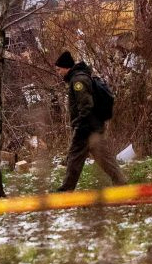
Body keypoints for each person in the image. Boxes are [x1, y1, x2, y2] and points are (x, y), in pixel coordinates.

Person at [54, 51, 127, 192]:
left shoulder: (78, 81)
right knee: (103, 157)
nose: (58, 72)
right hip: (93, 125)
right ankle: (120, 181)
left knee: (75, 158)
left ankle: (66, 190)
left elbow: (86, 105)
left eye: (58, 69)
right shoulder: (80, 77)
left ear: (66, 67)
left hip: (86, 127)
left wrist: (80, 125)